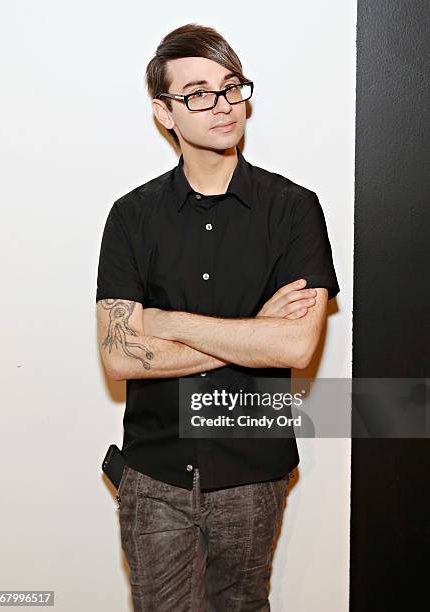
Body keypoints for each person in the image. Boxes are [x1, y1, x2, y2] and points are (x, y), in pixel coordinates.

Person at [96, 22, 340, 612]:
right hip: (154, 475)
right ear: (164, 112)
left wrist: (170, 321)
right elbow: (119, 354)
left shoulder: (293, 209)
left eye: (231, 88)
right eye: (198, 93)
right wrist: (255, 327)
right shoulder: (132, 216)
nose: (223, 106)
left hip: (253, 469)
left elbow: (294, 349)